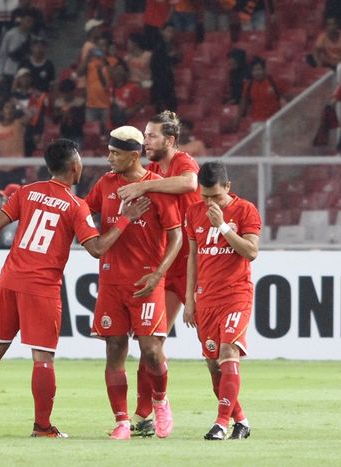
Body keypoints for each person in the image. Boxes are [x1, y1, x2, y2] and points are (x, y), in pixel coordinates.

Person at [0, 138, 150, 438]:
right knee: (42, 358)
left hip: (10, 280)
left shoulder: (26, 192)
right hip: (41, 286)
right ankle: (42, 426)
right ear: (74, 167)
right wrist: (126, 219)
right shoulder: (76, 206)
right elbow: (98, 248)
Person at [87, 126, 182, 440]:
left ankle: (160, 400)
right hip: (111, 280)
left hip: (146, 281)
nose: (109, 157)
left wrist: (159, 274)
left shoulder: (156, 187)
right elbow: (84, 212)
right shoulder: (105, 184)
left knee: (151, 351)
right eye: (109, 151)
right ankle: (122, 421)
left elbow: (177, 236)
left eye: (115, 152)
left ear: (133, 154)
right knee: (114, 348)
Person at [117, 112, 201, 436]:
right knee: (150, 342)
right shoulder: (149, 169)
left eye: (151, 136)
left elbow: (190, 183)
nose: (145, 141)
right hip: (163, 260)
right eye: (145, 135)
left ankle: (232, 414)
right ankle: (146, 413)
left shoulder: (182, 162)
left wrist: (147, 185)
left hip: (194, 262)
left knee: (216, 345)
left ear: (169, 140)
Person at [183, 160, 261, 440]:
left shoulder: (245, 210)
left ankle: (219, 423)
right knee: (214, 365)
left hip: (236, 294)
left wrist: (224, 228)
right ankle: (240, 420)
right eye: (204, 196)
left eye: (215, 196)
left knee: (229, 354)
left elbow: (251, 252)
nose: (209, 202)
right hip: (206, 299)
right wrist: (189, 299)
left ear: (227, 187)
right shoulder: (193, 212)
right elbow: (192, 256)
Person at [238, 56, 286, 125]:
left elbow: (283, 97)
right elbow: (243, 102)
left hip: (275, 119)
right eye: (254, 70)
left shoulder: (273, 81)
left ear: (264, 70)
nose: (257, 73)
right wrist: (238, 120)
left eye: (259, 69)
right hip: (257, 121)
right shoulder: (248, 85)